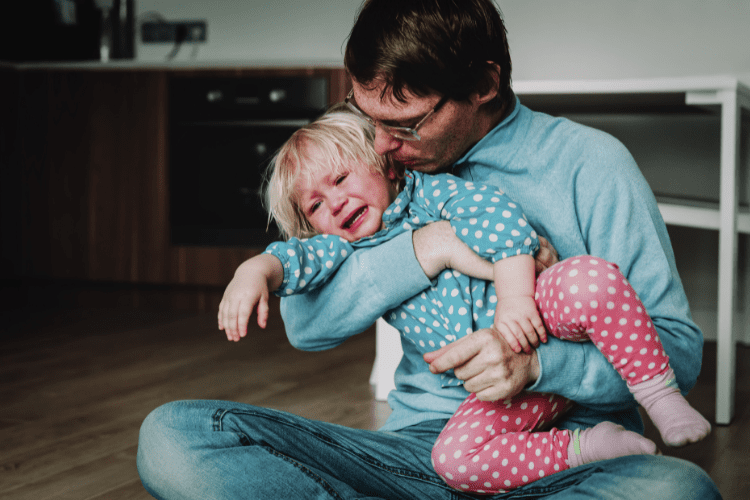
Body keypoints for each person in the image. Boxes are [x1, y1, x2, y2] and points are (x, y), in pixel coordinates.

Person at [137, 1, 721, 498]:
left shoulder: (589, 163)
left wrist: (539, 366)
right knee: (176, 436)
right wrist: (429, 247)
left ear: (484, 85)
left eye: (408, 124)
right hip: (418, 455)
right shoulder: (367, 168)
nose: (384, 145)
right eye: (370, 120)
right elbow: (307, 324)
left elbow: (679, 354)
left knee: (677, 491)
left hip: (565, 458)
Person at [219, 106, 708, 494]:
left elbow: (504, 225)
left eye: (341, 181)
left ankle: (659, 400)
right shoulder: (342, 242)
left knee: (591, 281)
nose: (335, 203)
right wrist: (253, 270)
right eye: (315, 206)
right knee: (453, 461)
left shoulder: (430, 192)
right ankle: (589, 448)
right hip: (462, 421)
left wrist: (519, 317)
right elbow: (298, 285)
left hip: (540, 321)